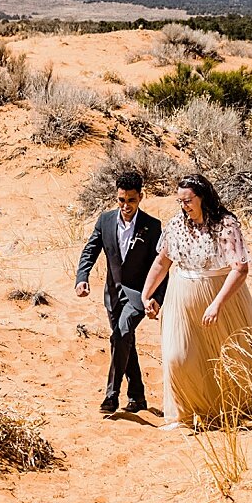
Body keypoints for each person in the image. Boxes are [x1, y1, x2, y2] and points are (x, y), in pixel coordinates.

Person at [139, 173, 252, 428]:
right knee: (177, 357)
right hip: (180, 297)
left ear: (203, 197)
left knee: (228, 358)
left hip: (220, 297)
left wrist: (217, 303)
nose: (184, 206)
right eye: (180, 201)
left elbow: (240, 269)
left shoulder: (225, 225)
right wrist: (146, 294)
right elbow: (162, 261)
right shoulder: (176, 225)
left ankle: (235, 412)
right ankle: (185, 414)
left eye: (188, 200)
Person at [75, 168, 163, 414]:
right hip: (112, 294)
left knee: (120, 335)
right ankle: (137, 397)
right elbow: (90, 250)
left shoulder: (153, 226)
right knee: (125, 340)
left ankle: (111, 396)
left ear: (141, 197)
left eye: (131, 200)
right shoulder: (104, 220)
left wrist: (156, 298)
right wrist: (82, 277)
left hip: (138, 295)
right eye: (121, 200)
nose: (126, 205)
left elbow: (162, 266)